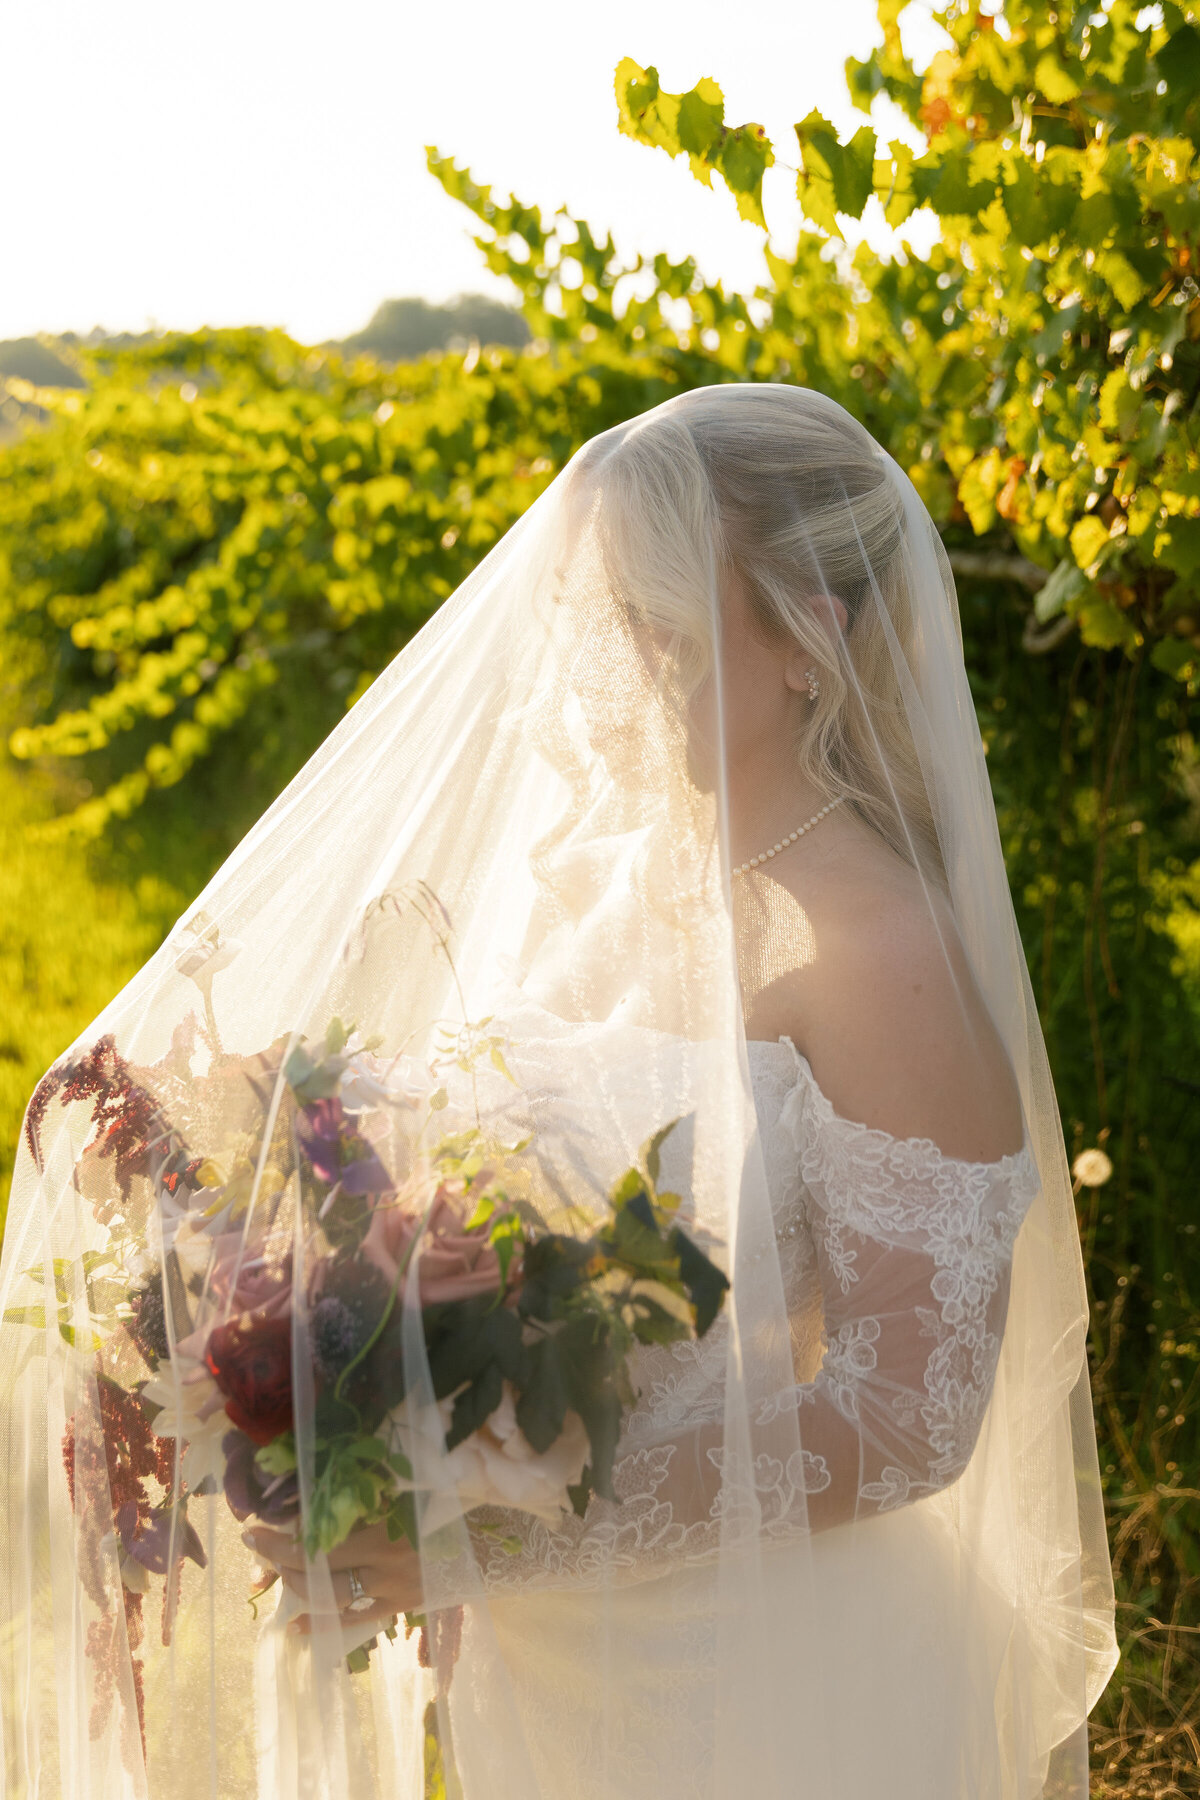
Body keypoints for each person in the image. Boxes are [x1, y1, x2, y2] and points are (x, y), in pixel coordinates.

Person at [0, 385, 1117, 1799]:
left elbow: (911, 1415)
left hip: (778, 1686)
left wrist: (487, 1538)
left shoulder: (878, 950)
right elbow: (458, 1214)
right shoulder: (593, 884)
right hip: (549, 1686)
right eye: (595, 616)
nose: (602, 668)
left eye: (652, 621)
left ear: (808, 642)